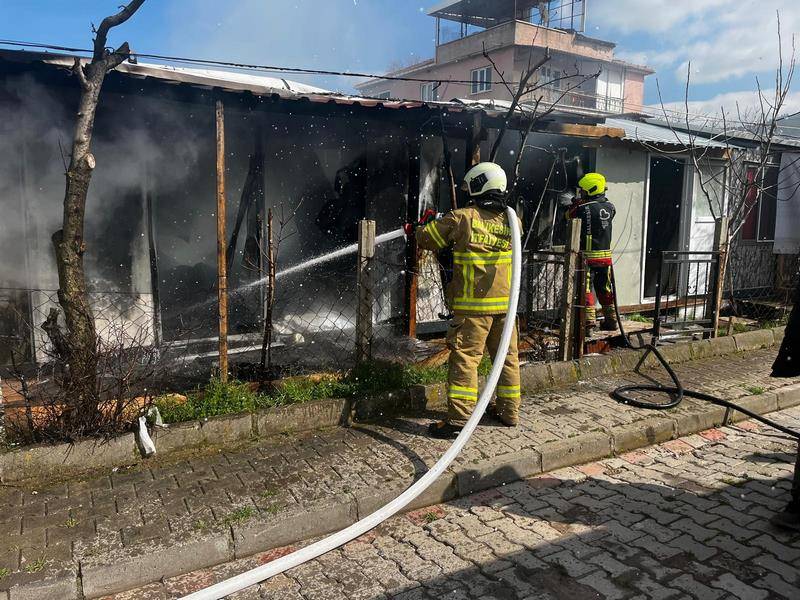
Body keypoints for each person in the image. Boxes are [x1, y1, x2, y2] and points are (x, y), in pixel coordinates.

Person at [407, 162, 521, 439]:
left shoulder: (462, 218)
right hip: (506, 307)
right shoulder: (512, 221)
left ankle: (459, 419)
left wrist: (420, 226)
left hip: (473, 309)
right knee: (507, 359)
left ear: (479, 185)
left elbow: (427, 239)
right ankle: (509, 412)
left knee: (467, 360)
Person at [566, 172, 618, 332]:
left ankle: (588, 323)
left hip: (588, 258)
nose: (581, 193)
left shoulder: (582, 208)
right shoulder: (611, 207)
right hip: (605, 258)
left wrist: (575, 203)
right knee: (604, 288)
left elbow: (568, 216)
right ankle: (612, 320)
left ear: (590, 190)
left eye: (583, 191)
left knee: (586, 288)